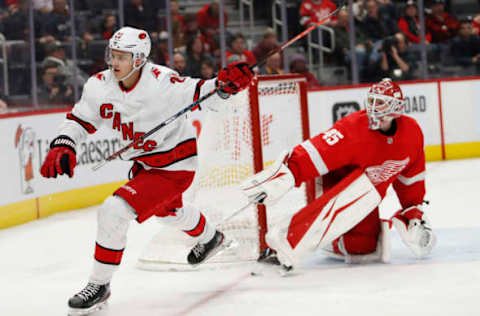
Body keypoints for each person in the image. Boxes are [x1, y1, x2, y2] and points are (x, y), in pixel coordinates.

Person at [39, 26, 253, 315]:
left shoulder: (163, 82)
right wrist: (64, 143)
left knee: (114, 209)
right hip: (146, 165)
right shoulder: (99, 85)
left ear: (139, 59)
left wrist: (227, 84)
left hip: (176, 166)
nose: (114, 63)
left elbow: (205, 93)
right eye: (112, 55)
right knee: (168, 213)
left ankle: (99, 285)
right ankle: (210, 237)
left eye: (123, 57)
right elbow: (79, 119)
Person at [241, 78, 436, 270]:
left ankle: (331, 241)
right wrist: (284, 176)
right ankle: (283, 245)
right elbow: (316, 152)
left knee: (363, 247)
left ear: (396, 107)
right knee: (360, 190)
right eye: (372, 101)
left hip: (367, 193)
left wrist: (412, 210)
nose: (374, 108)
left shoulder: (412, 133)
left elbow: (411, 178)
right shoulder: (354, 128)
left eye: (381, 103)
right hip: (335, 181)